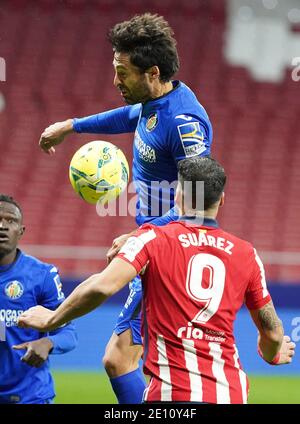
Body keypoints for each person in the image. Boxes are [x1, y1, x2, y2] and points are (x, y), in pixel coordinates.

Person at [37, 13, 213, 403]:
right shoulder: (155, 103)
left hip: (170, 251)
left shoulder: (184, 123)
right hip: (154, 245)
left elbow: (200, 199)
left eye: (122, 73)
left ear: (152, 72)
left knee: (120, 360)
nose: (115, 81)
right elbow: (130, 116)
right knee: (138, 362)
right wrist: (73, 125)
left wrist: (143, 235)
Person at [18, 157, 295, 404]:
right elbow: (272, 332)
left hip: (172, 393)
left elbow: (103, 285)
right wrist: (270, 354)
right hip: (230, 393)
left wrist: (52, 319)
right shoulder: (247, 254)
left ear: (177, 196)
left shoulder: (152, 239)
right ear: (221, 199)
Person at [0, 194, 77, 404]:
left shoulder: (41, 275)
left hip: (30, 397)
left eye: (11, 220)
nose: (2, 226)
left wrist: (48, 342)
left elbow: (68, 332)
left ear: (21, 231)